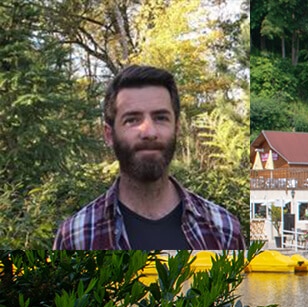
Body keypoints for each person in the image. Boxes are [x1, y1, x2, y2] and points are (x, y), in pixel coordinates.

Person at [53, 65, 245, 250]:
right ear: (109, 134)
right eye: (132, 120)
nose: (149, 132)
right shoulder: (75, 238)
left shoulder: (224, 231)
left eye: (161, 118)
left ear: (176, 128)